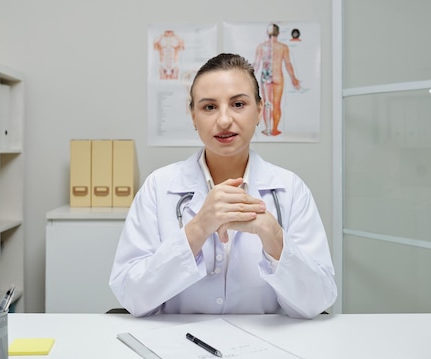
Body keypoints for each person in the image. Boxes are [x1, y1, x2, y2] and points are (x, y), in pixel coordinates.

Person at [109, 53, 336, 319]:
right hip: (179, 348)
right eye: (209, 107)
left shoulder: (290, 189)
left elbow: (317, 301)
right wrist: (198, 228)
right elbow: (132, 296)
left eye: (238, 104)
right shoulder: (158, 188)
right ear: (193, 116)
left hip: (269, 350)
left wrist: (273, 236)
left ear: (260, 111)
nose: (224, 120)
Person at [253, 23, 301, 136]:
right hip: (278, 76)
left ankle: (267, 129)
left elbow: (256, 64)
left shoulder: (261, 46)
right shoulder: (283, 47)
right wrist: (293, 79)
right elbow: (288, 64)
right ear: (278, 33)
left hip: (265, 76)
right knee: (277, 104)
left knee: (266, 104)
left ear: (267, 33)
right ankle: (275, 129)